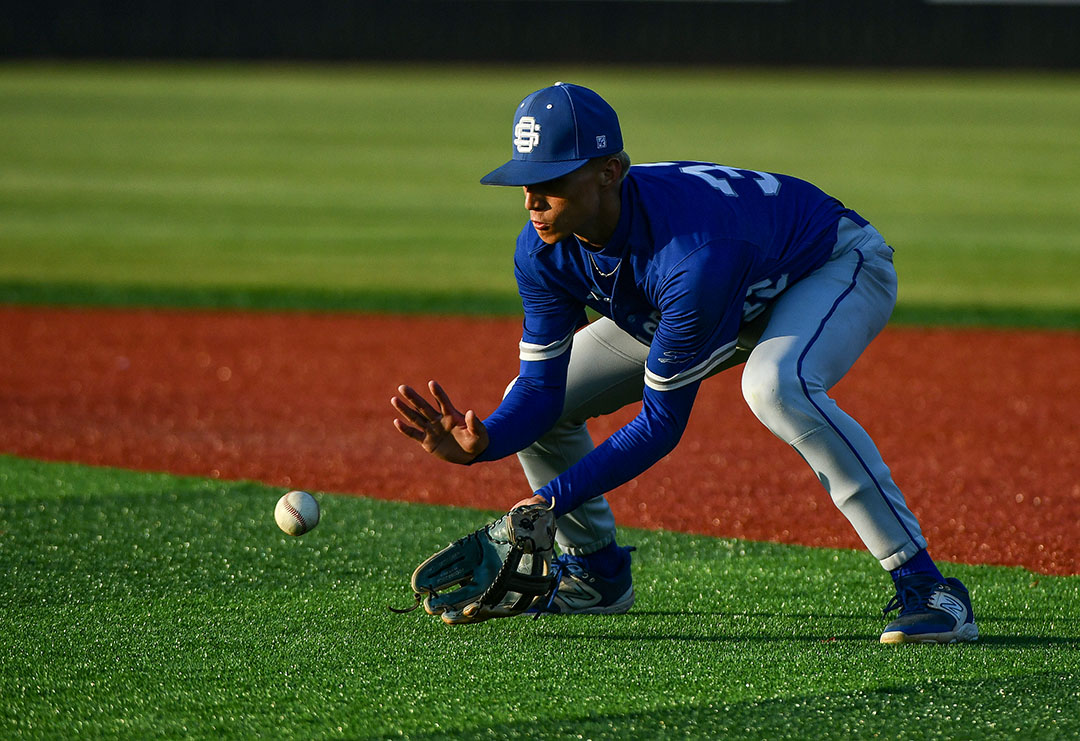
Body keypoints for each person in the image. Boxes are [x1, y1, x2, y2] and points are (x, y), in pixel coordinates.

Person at [391, 82, 978, 644]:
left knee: (777, 386)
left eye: (552, 181)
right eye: (524, 182)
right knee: (551, 404)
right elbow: (542, 390)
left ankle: (929, 588)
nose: (532, 201)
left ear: (609, 173)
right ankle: (596, 575)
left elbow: (661, 423)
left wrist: (549, 502)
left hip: (826, 266)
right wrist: (487, 441)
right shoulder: (543, 249)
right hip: (705, 296)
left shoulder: (691, 254)